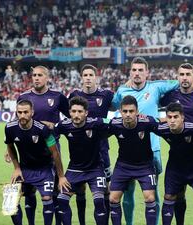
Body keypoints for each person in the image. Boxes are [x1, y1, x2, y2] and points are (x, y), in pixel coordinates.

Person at [13, 65, 70, 225]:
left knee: (55, 191)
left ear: (47, 77)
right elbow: (16, 123)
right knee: (28, 191)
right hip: (28, 150)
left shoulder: (57, 96)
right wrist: (7, 148)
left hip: (51, 148)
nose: (36, 78)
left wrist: (55, 125)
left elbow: (70, 117)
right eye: (34, 75)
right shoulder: (24, 97)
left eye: (40, 75)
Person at [159, 63, 193, 225]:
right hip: (177, 154)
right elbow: (153, 101)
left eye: (188, 74)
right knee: (176, 195)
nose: (185, 77)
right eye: (181, 74)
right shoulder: (170, 96)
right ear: (177, 77)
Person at [4, 99, 70, 225]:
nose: (22, 115)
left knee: (46, 198)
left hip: (44, 169)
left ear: (32, 112)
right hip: (24, 169)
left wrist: (61, 176)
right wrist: (16, 168)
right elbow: (10, 147)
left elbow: (55, 152)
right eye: (19, 112)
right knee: (10, 200)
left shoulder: (43, 129)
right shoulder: (9, 128)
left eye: (25, 112)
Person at [68, 64, 113, 225]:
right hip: (80, 151)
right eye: (85, 75)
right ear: (81, 78)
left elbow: (121, 105)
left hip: (102, 150)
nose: (88, 78)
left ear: (96, 77)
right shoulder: (74, 95)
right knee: (80, 189)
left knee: (106, 190)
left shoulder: (106, 95)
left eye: (90, 75)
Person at [54, 96, 109, 225]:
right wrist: (61, 176)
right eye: (73, 111)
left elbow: (113, 123)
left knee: (99, 201)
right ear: (69, 112)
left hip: (95, 169)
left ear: (86, 113)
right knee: (61, 200)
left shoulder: (96, 122)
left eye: (80, 111)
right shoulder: (63, 125)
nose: (76, 115)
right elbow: (49, 136)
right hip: (74, 169)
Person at [108, 95, 160, 225]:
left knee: (150, 197)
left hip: (145, 165)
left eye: (131, 111)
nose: (128, 114)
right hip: (123, 165)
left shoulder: (147, 122)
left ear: (137, 111)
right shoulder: (115, 124)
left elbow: (164, 130)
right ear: (120, 112)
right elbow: (99, 130)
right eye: (125, 111)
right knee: (113, 198)